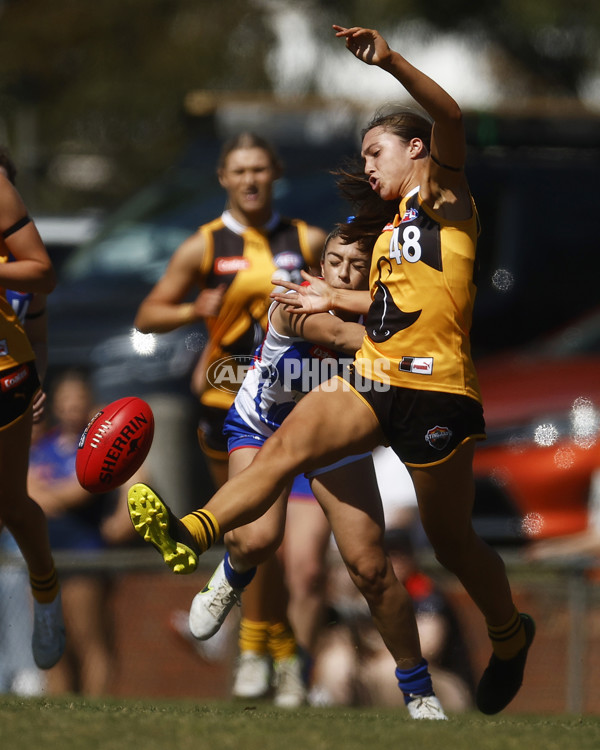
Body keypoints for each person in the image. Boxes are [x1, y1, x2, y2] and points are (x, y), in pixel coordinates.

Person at [126, 24, 535, 719]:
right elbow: (391, 309)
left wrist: (390, 62)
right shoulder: (384, 237)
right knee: (286, 446)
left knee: (453, 542)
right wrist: (333, 297)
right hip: (377, 378)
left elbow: (453, 116)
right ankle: (192, 533)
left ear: (416, 149)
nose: (369, 166)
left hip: (438, 392)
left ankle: (510, 635)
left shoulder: (447, 197)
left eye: (377, 151)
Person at [133, 132, 327, 704]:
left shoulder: (305, 238)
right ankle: (261, 650)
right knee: (251, 535)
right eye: (240, 170)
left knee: (285, 549)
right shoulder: (205, 244)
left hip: (294, 403)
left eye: (260, 169)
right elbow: (147, 315)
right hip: (225, 403)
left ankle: (268, 647)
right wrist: (192, 308)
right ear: (223, 177)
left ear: (276, 174)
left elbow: (340, 292)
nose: (250, 180)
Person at [0, 144, 65, 672]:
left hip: (5, 373)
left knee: (11, 505)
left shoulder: (1, 200)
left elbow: (44, 275)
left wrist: (39, 375)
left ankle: (45, 593)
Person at [310, 528, 476, 711]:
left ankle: (403, 733)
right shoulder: (364, 590)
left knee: (391, 670)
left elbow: (426, 647)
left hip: (443, 683)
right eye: (386, 552)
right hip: (373, 669)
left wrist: (372, 647)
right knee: (336, 663)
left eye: (400, 553)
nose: (394, 560)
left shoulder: (422, 589)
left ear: (412, 557)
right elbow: (332, 638)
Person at [27, 370, 116, 695]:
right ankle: (58, 709)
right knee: (51, 641)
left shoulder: (97, 450)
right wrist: (48, 494)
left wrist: (46, 495)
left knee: (87, 637)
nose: (71, 406)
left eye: (79, 399)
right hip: (44, 556)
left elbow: (83, 490)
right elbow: (21, 488)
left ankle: (97, 708)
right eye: (65, 399)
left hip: (83, 555)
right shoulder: (42, 444)